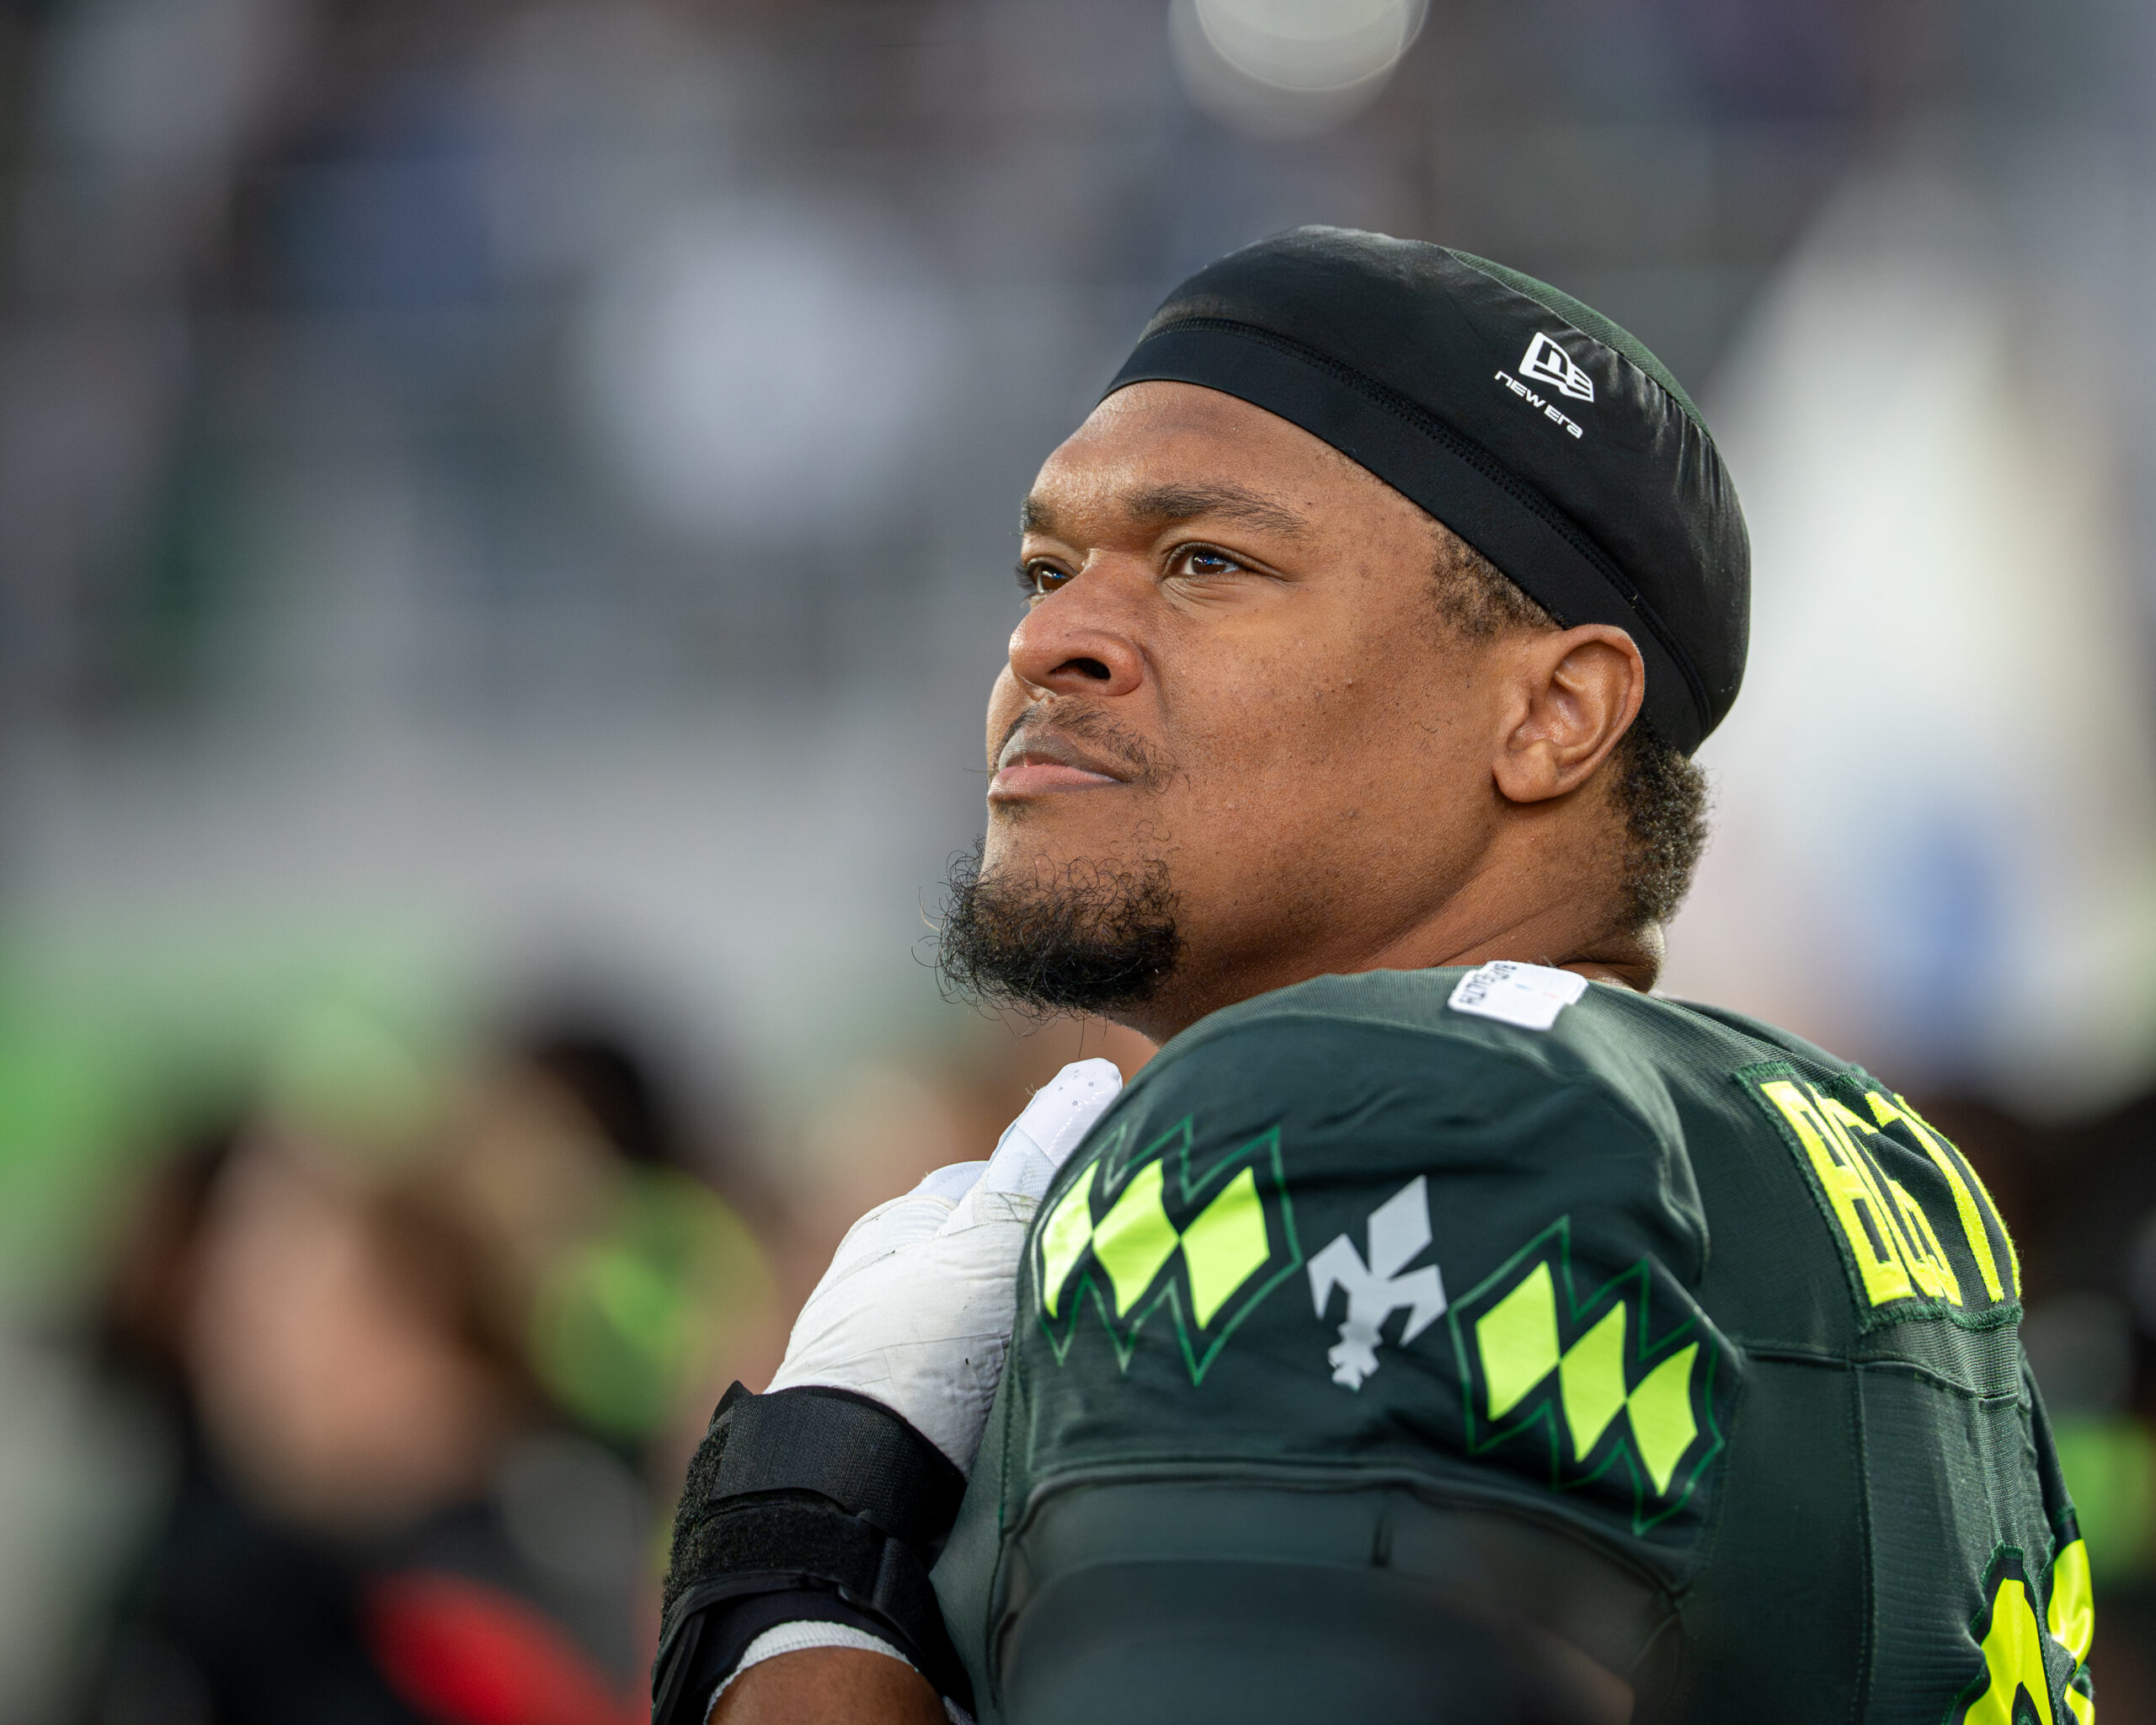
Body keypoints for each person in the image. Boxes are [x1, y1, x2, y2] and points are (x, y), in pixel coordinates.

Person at [654, 228, 2093, 1723]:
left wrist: (803, 1567)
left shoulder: (1352, 1098)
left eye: (1208, 564)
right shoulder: (1867, 1149)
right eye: (1046, 569)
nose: (1050, 641)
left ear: (1554, 714)